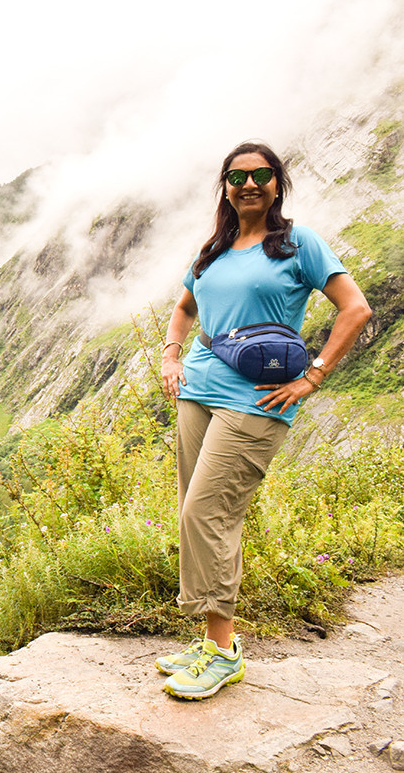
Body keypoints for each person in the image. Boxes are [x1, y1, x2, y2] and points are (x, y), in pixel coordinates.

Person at [157, 141, 372, 700]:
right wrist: (171, 354)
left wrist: (313, 376)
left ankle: (223, 652)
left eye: (261, 174)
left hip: (257, 400)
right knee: (195, 511)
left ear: (277, 183)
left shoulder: (299, 244)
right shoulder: (216, 248)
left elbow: (356, 307)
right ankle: (207, 638)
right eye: (236, 176)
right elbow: (184, 307)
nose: (248, 184)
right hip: (198, 391)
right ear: (225, 186)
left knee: (209, 512)